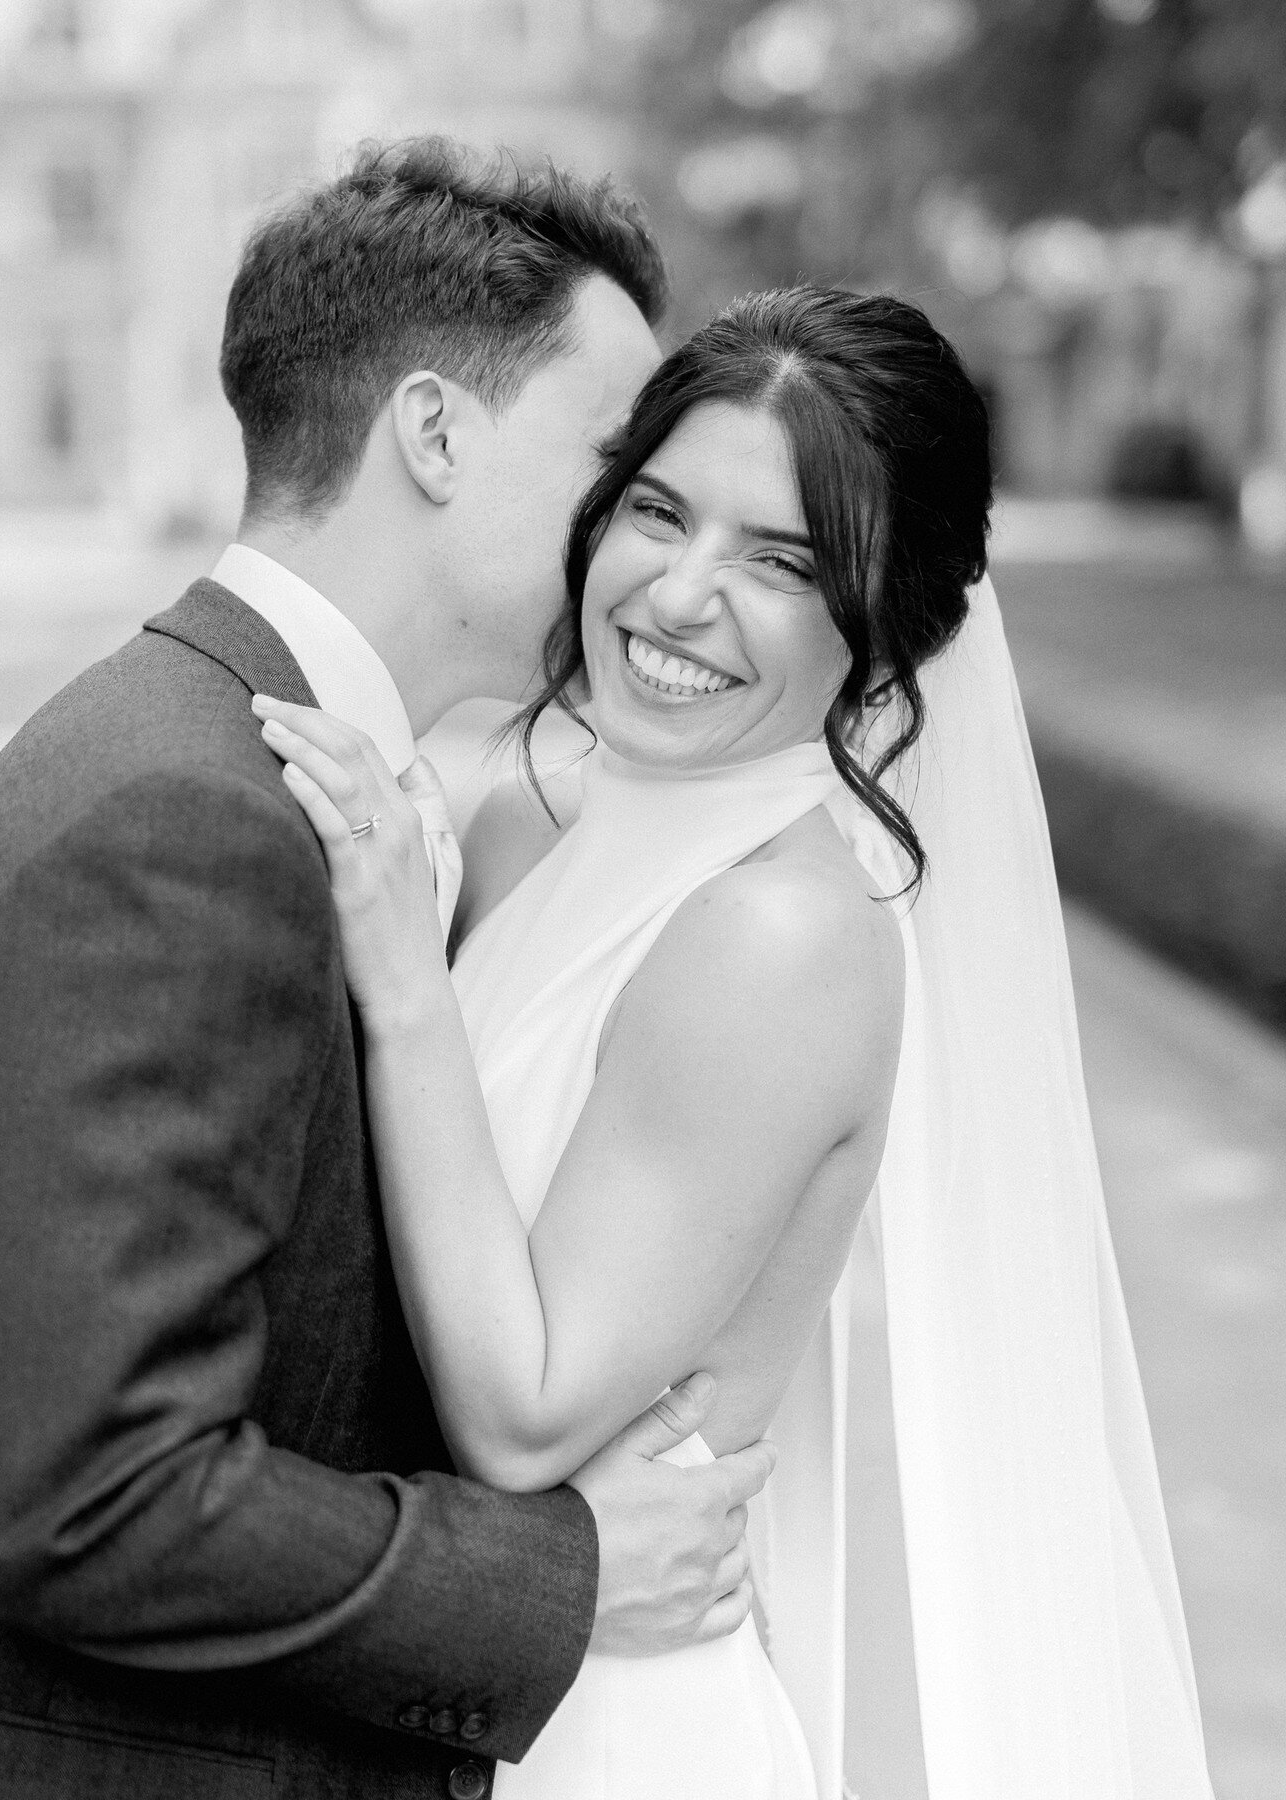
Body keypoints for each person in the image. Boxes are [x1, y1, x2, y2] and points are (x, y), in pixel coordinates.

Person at [0, 141, 778, 1800]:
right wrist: (562, 1580)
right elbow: (92, 1494)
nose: (636, 539)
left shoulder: (254, 770)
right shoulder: (179, 828)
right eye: (615, 460)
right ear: (432, 431)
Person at [259, 286, 1219, 1798]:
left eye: (781, 561)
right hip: (428, 1687)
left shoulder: (785, 938)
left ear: (886, 627)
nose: (677, 594)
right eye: (658, 509)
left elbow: (525, 1416)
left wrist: (406, 987)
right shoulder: (523, 813)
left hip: (605, 1730)